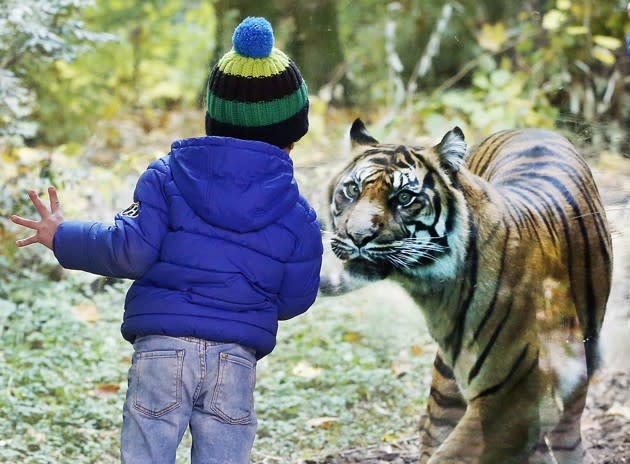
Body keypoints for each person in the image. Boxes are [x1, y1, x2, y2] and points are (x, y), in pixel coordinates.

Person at [10, 17, 323, 464]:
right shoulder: (298, 215)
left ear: (213, 116)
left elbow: (129, 249)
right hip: (235, 361)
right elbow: (294, 299)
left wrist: (62, 234)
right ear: (293, 135)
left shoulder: (166, 177)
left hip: (161, 352)